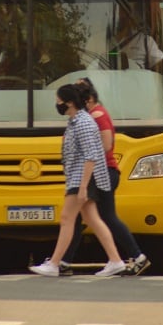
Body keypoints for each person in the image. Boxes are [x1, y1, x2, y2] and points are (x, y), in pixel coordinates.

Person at [28, 84, 127, 277]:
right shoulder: (77, 121)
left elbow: (91, 155)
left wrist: (83, 187)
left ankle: (55, 263)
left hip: (82, 178)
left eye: (59, 101)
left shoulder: (82, 123)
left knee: (67, 218)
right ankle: (115, 260)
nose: (57, 105)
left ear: (70, 103)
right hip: (80, 177)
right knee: (93, 219)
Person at [58, 78, 150, 276]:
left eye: (83, 100)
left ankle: (135, 256)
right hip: (97, 171)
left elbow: (106, 145)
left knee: (100, 217)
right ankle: (64, 260)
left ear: (89, 98)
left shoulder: (96, 115)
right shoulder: (90, 116)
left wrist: (84, 158)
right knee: (82, 216)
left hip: (102, 172)